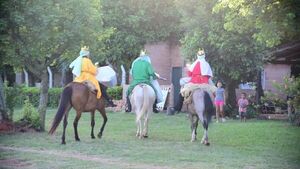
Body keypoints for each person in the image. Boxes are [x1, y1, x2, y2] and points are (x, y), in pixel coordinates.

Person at [169, 49, 214, 114]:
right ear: (204, 56)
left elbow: (189, 74)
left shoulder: (194, 64)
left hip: (194, 81)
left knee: (182, 91)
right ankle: (215, 107)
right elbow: (209, 75)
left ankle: (177, 107)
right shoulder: (206, 64)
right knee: (215, 90)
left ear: (197, 56)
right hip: (205, 81)